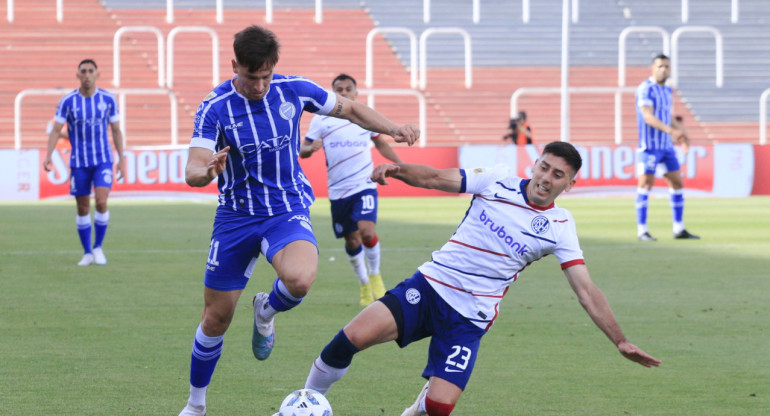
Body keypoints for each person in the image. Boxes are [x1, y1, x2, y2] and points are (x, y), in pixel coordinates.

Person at [302, 141, 661, 416]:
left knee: (439, 408)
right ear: (534, 165)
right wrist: (397, 169)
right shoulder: (496, 181)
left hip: (469, 319)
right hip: (429, 288)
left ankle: (419, 406)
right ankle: (304, 404)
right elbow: (434, 178)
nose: (546, 178)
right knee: (346, 341)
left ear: (569, 183)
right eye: (544, 167)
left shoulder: (560, 226)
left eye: (557, 175)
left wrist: (620, 340)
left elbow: (586, 289)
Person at [177, 25, 419, 416]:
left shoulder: (295, 89)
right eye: (251, 77)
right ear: (234, 64)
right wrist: (207, 173)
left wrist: (394, 128)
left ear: (275, 68)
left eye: (266, 76)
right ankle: (196, 404)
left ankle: (266, 311)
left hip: (286, 208)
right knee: (216, 317)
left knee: (301, 280)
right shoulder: (214, 107)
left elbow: (352, 109)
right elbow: (192, 168)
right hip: (236, 216)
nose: (259, 85)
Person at [300, 73, 401, 306]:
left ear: (356, 93)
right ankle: (364, 283)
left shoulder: (363, 116)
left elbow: (381, 142)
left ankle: (375, 276)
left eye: (348, 89)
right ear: (333, 92)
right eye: (339, 90)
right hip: (338, 190)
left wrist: (400, 166)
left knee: (366, 231)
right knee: (352, 240)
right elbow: (304, 150)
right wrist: (309, 148)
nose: (344, 93)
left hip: (364, 183)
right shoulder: (321, 119)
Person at [42, 59, 125, 266]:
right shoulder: (68, 101)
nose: (87, 75)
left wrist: (121, 159)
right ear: (77, 75)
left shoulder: (108, 99)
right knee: (82, 207)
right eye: (83, 71)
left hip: (103, 160)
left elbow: (116, 130)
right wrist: (48, 155)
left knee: (102, 200)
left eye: (90, 71)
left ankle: (98, 247)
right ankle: (87, 252)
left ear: (97, 74)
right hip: (79, 162)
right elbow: (55, 129)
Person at [635, 53, 699, 242]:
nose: (664, 69)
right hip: (649, 147)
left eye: (667, 67)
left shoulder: (668, 90)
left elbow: (667, 116)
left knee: (677, 183)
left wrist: (683, 133)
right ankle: (642, 230)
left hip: (666, 147)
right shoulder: (645, 89)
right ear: (652, 68)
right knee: (646, 185)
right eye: (660, 66)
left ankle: (679, 228)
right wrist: (671, 131)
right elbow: (648, 116)